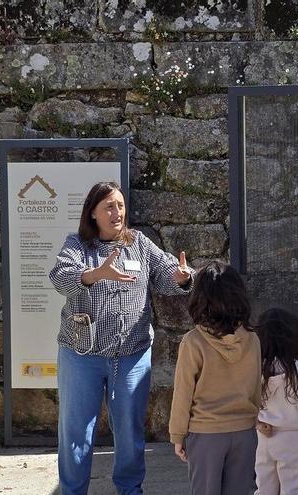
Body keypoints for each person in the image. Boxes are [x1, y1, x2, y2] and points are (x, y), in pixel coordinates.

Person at [49, 181, 194, 495]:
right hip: (81, 355)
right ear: (93, 214)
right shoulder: (77, 245)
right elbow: (60, 278)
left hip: (131, 355)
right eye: (109, 207)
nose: (117, 213)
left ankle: (130, 489)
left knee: (129, 431)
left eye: (120, 205)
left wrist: (182, 277)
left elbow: (167, 273)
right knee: (76, 433)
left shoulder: (139, 243)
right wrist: (95, 274)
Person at [169, 261, 261, 495]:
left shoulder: (193, 342)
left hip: (206, 434)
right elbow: (256, 388)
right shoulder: (252, 339)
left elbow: (183, 394)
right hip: (244, 432)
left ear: (200, 298)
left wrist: (177, 435)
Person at [253, 308, 298, 495]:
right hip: (293, 438)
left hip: (263, 437)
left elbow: (246, 404)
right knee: (294, 489)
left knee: (264, 488)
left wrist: (257, 423)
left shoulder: (255, 368)